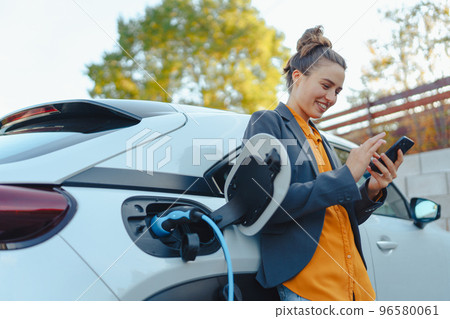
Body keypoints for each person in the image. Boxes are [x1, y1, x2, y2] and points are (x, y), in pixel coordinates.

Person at [242, 26, 403, 301]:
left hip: (354, 285)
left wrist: (371, 190)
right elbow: (264, 204)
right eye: (326, 86)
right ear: (298, 77)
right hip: (310, 286)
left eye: (338, 91)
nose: (332, 98)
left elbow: (338, 213)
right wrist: (347, 175)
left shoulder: (321, 139)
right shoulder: (267, 122)